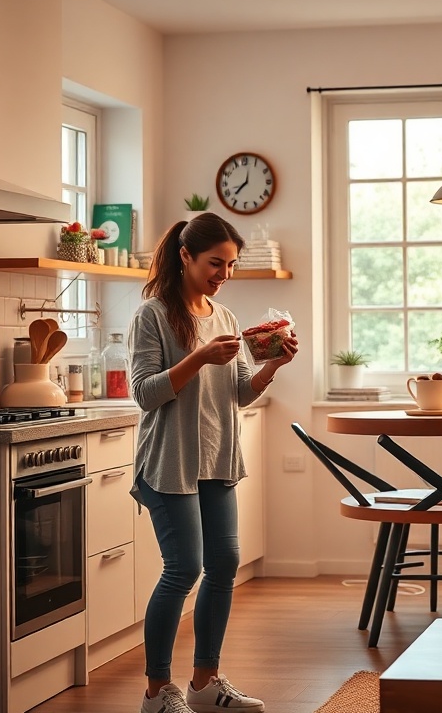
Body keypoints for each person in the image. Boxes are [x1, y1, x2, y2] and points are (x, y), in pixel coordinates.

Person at [130, 212, 296, 713]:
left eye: (230, 265)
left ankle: (205, 683)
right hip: (170, 461)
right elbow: (144, 393)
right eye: (214, 263)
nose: (223, 274)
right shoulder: (153, 314)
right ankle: (157, 692)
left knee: (223, 564)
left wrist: (272, 364)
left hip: (217, 459)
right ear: (185, 256)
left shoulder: (224, 318)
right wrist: (199, 358)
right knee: (183, 569)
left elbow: (241, 392)